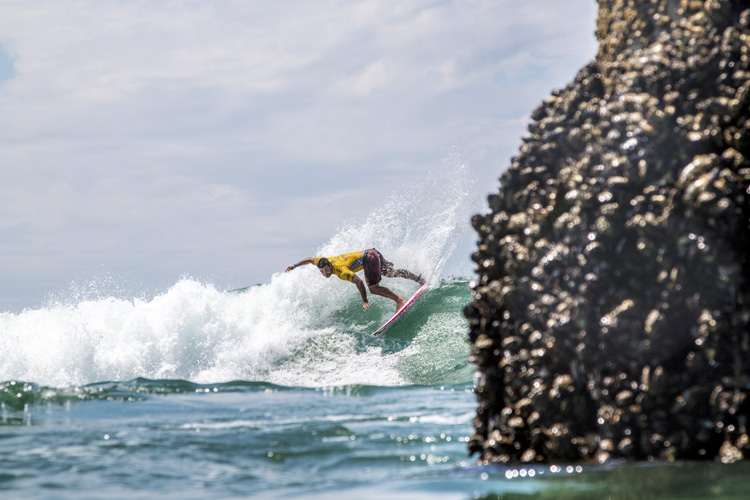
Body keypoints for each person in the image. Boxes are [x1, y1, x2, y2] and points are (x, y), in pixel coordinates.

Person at [284, 248, 425, 312]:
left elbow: (359, 282)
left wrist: (364, 300)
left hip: (368, 258)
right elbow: (309, 259)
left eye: (326, 270)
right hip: (372, 252)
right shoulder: (321, 261)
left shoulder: (340, 271)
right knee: (390, 273)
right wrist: (295, 266)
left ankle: (399, 300)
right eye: (322, 271)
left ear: (330, 265)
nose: (325, 273)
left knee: (373, 288)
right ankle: (418, 279)